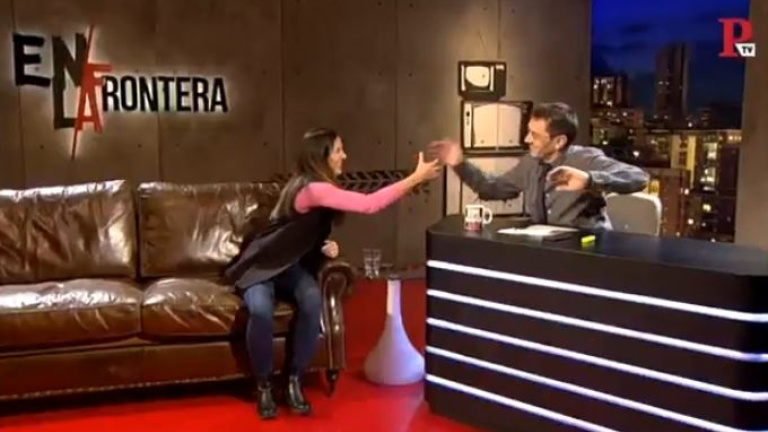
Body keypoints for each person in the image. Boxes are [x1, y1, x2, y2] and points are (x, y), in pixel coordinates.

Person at [224, 127, 440, 420]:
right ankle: (263, 385)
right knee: (261, 311)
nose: (344, 156)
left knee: (312, 300)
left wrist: (321, 246)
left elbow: (298, 232)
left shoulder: (314, 186)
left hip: (288, 266)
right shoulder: (312, 188)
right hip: (261, 266)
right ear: (321, 156)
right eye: (338, 150)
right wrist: (415, 178)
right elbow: (369, 204)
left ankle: (293, 380)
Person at [429, 102, 649, 229]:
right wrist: (460, 164)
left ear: (559, 141)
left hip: (585, 255)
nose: (526, 139)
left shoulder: (586, 159)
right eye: (528, 132)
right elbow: (492, 188)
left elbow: (639, 177)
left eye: (534, 135)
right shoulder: (531, 163)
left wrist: (590, 180)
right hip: (545, 253)